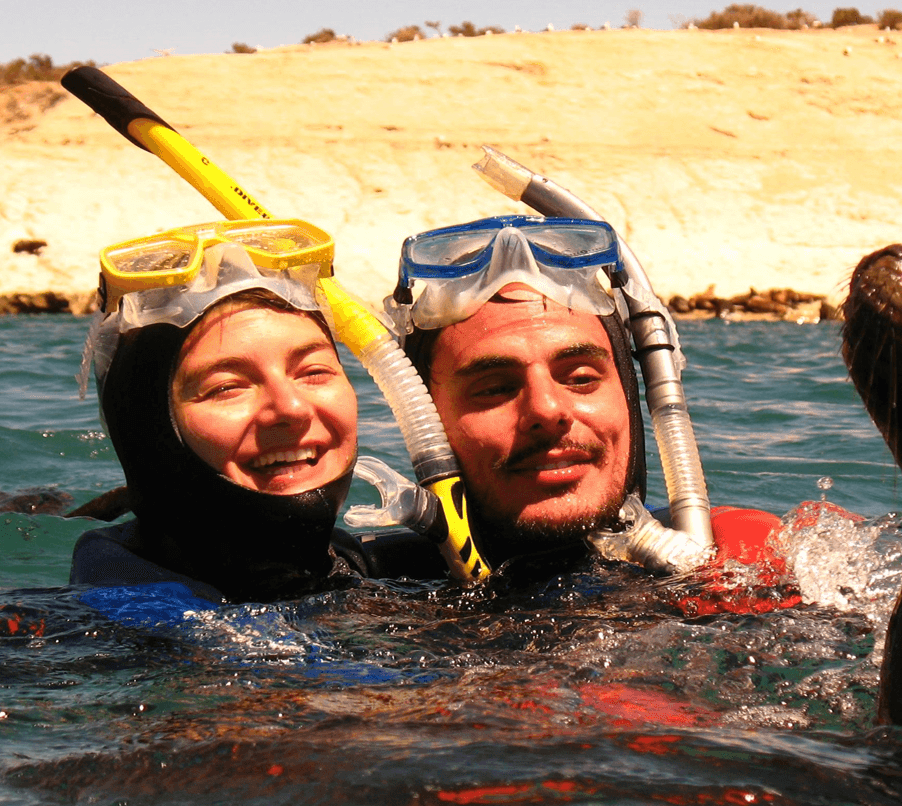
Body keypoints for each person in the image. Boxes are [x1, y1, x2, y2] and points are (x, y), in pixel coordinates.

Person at [390, 215, 787, 582]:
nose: (547, 409)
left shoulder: (739, 557)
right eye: (495, 388)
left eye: (580, 378)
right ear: (421, 418)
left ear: (630, 397)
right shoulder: (365, 586)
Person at [70, 218, 414, 604]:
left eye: (314, 372)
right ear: (151, 432)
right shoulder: (77, 638)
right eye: (227, 388)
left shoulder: (416, 570)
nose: (292, 407)